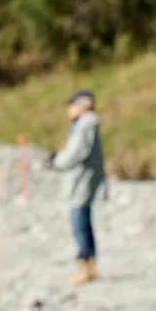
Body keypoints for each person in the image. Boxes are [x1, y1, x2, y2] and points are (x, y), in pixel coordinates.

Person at [49, 90, 106, 285]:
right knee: (83, 224)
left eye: (72, 105)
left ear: (83, 105)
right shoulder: (85, 125)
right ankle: (89, 267)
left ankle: (86, 267)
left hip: (80, 183)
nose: (69, 109)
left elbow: (76, 153)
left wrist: (57, 161)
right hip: (81, 182)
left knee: (80, 225)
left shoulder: (85, 125)